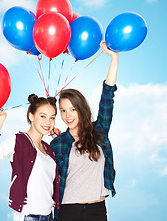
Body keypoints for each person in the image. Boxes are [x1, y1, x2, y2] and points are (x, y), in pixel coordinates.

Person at [50, 41, 119, 221]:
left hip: (97, 210)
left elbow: (107, 97)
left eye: (72, 109)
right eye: (63, 111)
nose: (67, 115)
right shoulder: (57, 143)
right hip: (68, 211)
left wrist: (114, 58)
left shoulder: (99, 131)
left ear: (81, 109)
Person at [0, 94, 60, 221]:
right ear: (31, 116)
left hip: (49, 215)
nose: (48, 122)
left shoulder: (48, 148)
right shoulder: (18, 141)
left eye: (52, 117)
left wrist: (58, 138)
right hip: (28, 216)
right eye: (43, 116)